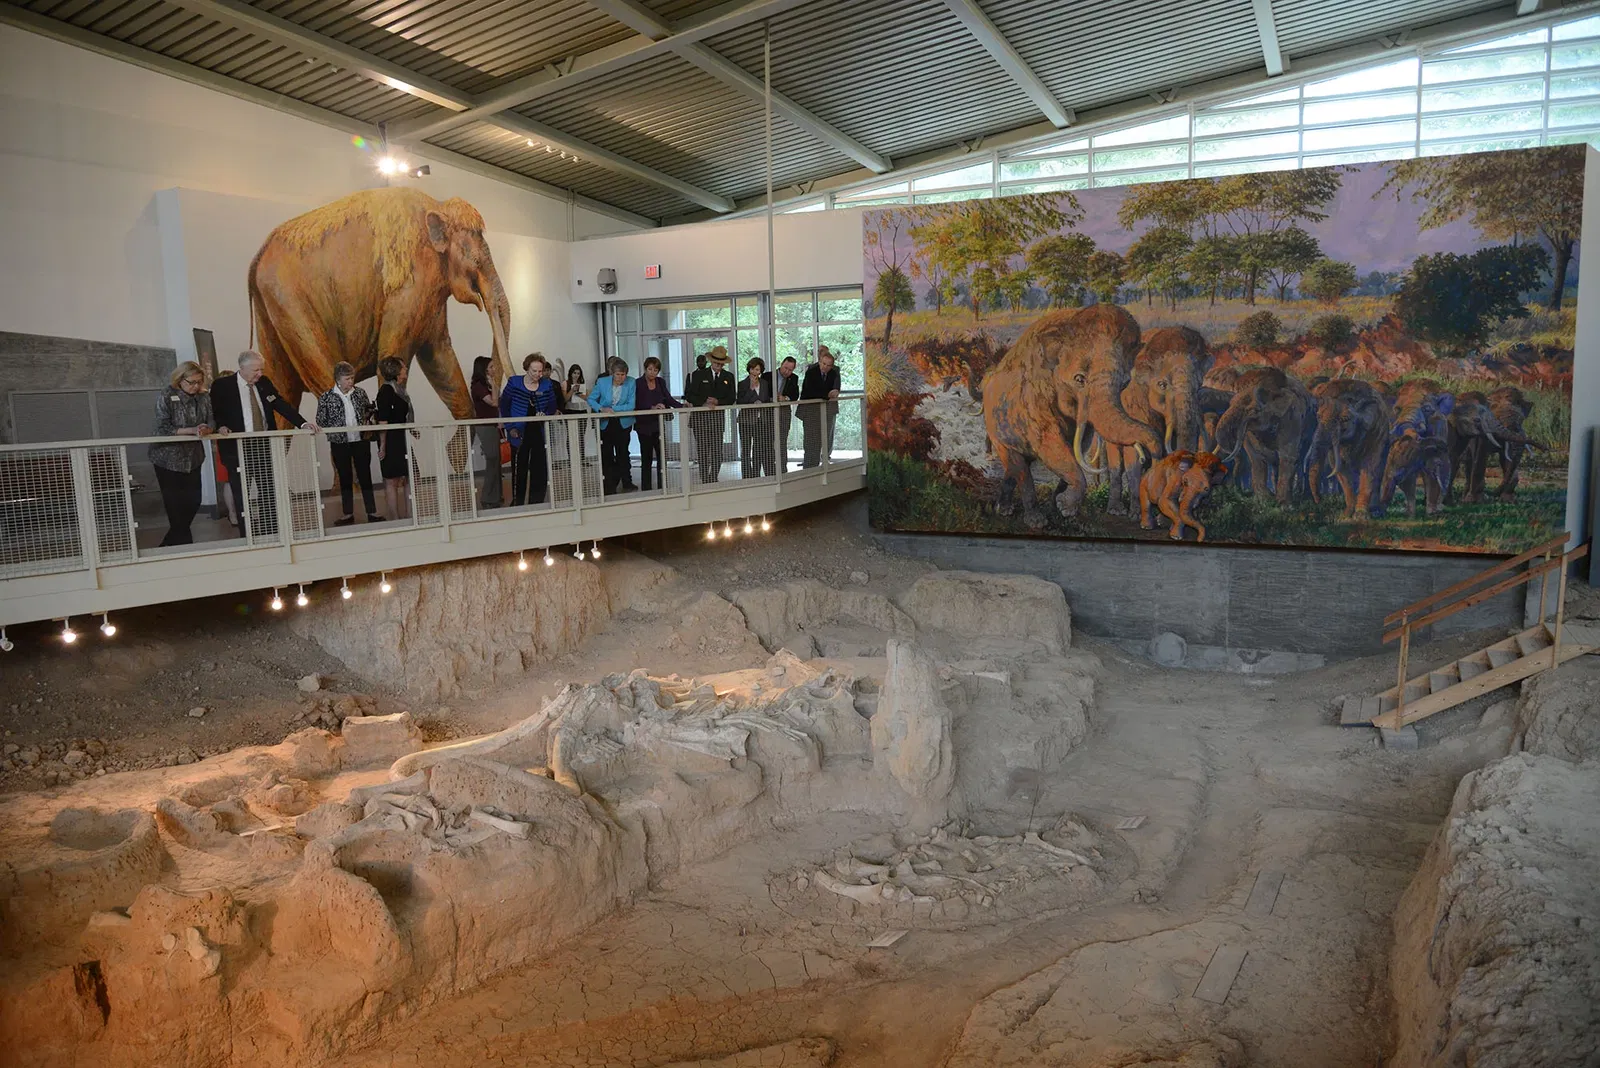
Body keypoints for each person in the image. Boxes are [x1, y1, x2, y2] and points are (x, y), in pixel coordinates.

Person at [210, 349, 317, 538]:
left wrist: (302, 422)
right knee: (241, 495)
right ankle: (248, 536)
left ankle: (273, 533)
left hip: (264, 447)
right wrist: (221, 427)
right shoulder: (222, 386)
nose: (260, 374)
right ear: (242, 368)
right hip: (237, 449)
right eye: (255, 370)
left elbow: (281, 405)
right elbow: (216, 412)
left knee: (269, 492)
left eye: (261, 370)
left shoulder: (264, 383)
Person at [149, 361, 214, 546]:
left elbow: (211, 419)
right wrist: (191, 430)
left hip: (193, 458)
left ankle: (169, 544)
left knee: (194, 501)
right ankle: (183, 544)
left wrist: (206, 429)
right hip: (167, 459)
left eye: (199, 382)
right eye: (191, 382)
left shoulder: (204, 397)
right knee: (175, 506)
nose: (195, 386)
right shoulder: (167, 395)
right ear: (180, 379)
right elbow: (161, 428)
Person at [314, 361, 381, 526]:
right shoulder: (326, 397)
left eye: (352, 378)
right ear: (338, 379)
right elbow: (320, 420)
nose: (351, 381)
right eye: (347, 378)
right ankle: (347, 514)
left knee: (365, 476)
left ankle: (372, 512)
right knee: (345, 477)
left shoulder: (360, 393)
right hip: (339, 443)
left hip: (360, 441)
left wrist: (369, 419)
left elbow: (367, 412)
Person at [499, 353, 564, 506]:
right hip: (518, 431)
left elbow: (552, 406)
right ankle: (518, 501)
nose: (537, 374)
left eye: (540, 371)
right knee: (519, 468)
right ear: (527, 369)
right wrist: (510, 427)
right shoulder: (514, 383)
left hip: (538, 431)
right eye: (534, 371)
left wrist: (545, 414)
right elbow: (504, 406)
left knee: (539, 467)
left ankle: (537, 501)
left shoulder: (546, 385)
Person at [684, 346, 736, 484]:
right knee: (702, 450)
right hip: (700, 419)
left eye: (720, 364)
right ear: (711, 362)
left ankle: (713, 476)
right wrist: (703, 402)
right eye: (715, 363)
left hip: (717, 420)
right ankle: (704, 477)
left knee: (717, 450)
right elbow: (689, 395)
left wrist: (718, 401)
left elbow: (732, 398)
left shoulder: (728, 377)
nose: (718, 366)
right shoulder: (698, 375)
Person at [374, 357, 416, 520]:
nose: (406, 369)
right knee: (392, 480)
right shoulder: (385, 391)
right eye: (403, 367)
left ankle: (411, 515)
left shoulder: (400, 389)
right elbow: (383, 421)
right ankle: (395, 517)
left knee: (410, 476)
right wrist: (383, 446)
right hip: (391, 439)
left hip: (402, 437)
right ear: (396, 370)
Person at [633, 355, 682, 492]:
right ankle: (646, 488)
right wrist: (652, 408)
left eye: (655, 370)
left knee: (662, 457)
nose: (652, 373)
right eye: (650, 369)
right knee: (646, 457)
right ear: (645, 369)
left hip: (658, 424)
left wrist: (682, 406)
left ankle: (662, 485)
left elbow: (668, 398)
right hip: (644, 425)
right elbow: (636, 403)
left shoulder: (660, 382)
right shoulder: (637, 383)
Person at [589, 357, 638, 495]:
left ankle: (626, 482)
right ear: (612, 373)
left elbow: (631, 405)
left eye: (623, 375)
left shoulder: (631, 382)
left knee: (623, 453)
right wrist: (601, 408)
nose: (620, 378)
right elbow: (591, 399)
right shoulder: (602, 382)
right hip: (606, 423)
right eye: (618, 374)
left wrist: (613, 409)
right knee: (607, 454)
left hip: (623, 423)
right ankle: (608, 485)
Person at [799, 345, 842, 468]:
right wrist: (827, 394)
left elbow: (834, 388)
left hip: (826, 409)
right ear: (819, 360)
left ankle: (821, 463)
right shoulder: (811, 371)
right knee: (811, 440)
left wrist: (833, 392)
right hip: (811, 410)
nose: (825, 367)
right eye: (823, 364)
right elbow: (809, 391)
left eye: (828, 365)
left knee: (825, 437)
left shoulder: (833, 372)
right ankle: (809, 466)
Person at [469, 356, 504, 509]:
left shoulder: (488, 384)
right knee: (492, 459)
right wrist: (494, 386)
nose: (494, 370)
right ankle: (487, 498)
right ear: (483, 370)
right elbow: (494, 402)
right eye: (491, 367)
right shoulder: (478, 386)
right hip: (485, 426)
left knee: (496, 461)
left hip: (493, 424)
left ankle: (496, 496)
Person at [736, 356, 775, 479]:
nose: (754, 372)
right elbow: (740, 402)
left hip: (761, 420)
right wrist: (751, 389)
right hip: (746, 421)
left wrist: (761, 403)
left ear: (760, 371)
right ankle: (747, 476)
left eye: (757, 370)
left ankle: (756, 474)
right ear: (749, 369)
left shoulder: (764, 383)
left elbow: (766, 399)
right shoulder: (742, 384)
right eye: (752, 369)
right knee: (746, 449)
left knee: (758, 447)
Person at [772, 356, 799, 471]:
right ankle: (771, 468)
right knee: (769, 440)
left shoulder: (794, 378)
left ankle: (782, 468)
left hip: (784, 412)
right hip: (769, 412)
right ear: (781, 364)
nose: (787, 372)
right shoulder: (769, 376)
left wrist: (785, 398)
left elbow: (795, 395)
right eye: (785, 368)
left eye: (790, 370)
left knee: (782, 441)